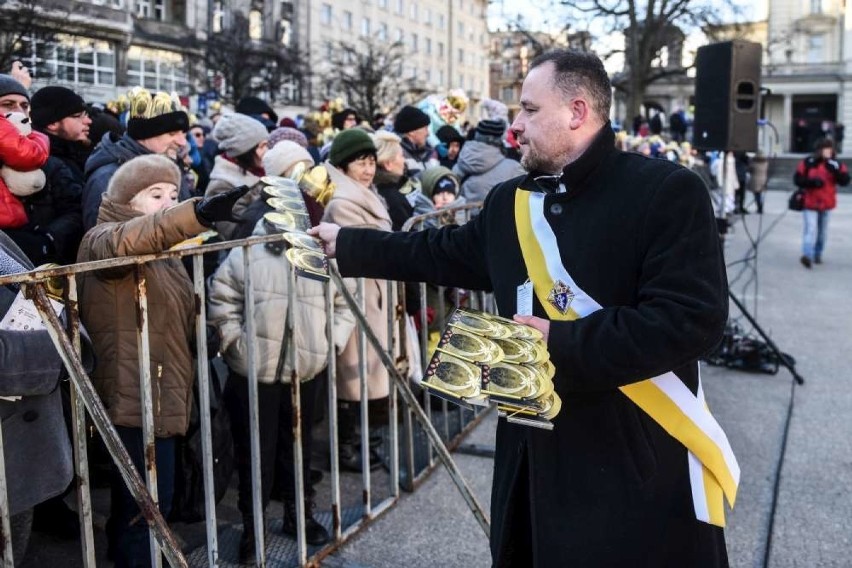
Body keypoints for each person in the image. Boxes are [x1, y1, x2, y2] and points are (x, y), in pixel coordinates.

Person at [309, 49, 735, 567]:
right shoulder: (510, 202)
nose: (516, 126)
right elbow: (440, 253)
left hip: (631, 463)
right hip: (531, 462)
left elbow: (691, 321)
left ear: (577, 112)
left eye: (530, 110)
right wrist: (347, 244)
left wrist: (561, 343)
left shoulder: (666, 192)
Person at [76, 154, 247, 568]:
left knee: (155, 501)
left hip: (163, 393)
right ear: (124, 200)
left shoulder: (167, 251)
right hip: (133, 398)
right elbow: (123, 244)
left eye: (174, 194)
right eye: (156, 195)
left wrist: (203, 332)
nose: (168, 203)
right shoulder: (100, 238)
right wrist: (195, 214)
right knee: (143, 507)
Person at [208, 206, 355, 561]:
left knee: (298, 449)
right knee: (255, 454)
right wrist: (236, 345)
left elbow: (344, 302)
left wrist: (328, 343)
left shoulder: (318, 250)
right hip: (254, 372)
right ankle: (252, 528)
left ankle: (298, 514)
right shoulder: (248, 250)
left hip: (305, 370)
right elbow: (222, 299)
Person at [322, 128, 393, 472]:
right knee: (353, 377)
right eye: (360, 163)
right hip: (357, 295)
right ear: (344, 165)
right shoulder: (342, 201)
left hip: (374, 293)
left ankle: (369, 443)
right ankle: (348, 447)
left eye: (371, 162)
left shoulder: (366, 194)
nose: (367, 169)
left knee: (371, 372)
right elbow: (363, 246)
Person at [83, 88, 190, 231]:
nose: (182, 142)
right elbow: (102, 243)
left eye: (183, 133)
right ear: (145, 133)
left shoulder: (169, 165)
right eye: (172, 133)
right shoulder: (108, 177)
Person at [204, 113, 269, 240]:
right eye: (262, 146)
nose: (267, 151)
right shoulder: (222, 185)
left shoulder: (261, 171)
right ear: (245, 150)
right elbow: (236, 234)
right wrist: (266, 199)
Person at [792, 138, 849, 268]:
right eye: (825, 149)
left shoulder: (836, 164)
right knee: (810, 229)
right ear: (819, 150)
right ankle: (807, 255)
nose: (828, 151)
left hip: (826, 202)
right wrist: (812, 182)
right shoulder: (808, 162)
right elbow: (797, 179)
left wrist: (836, 172)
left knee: (822, 232)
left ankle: (818, 253)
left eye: (830, 149)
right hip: (810, 201)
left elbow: (845, 181)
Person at [452, 118, 525, 207]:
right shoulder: (514, 169)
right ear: (500, 139)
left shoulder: (458, 165)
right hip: (498, 219)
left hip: (464, 219)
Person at [393, 105, 436, 179]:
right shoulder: (397, 156)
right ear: (412, 132)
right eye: (425, 128)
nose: (428, 134)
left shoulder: (428, 150)